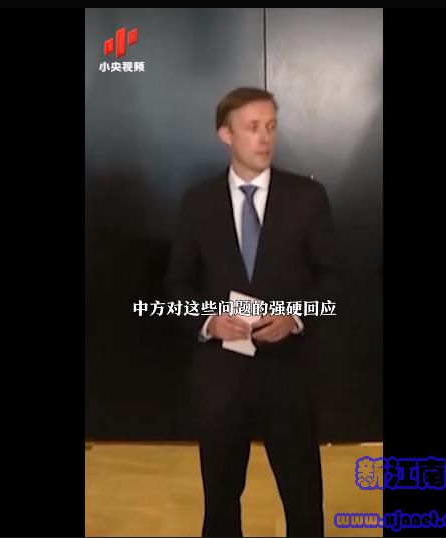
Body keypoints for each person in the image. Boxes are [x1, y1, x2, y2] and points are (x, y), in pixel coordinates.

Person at [163, 86, 338, 537]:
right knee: (220, 506)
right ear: (226, 134)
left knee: (303, 503)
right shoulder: (198, 203)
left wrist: (295, 318)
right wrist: (208, 321)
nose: (265, 138)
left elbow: (332, 278)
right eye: (253, 127)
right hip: (221, 379)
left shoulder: (307, 198)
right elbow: (177, 286)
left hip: (289, 377)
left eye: (271, 127)